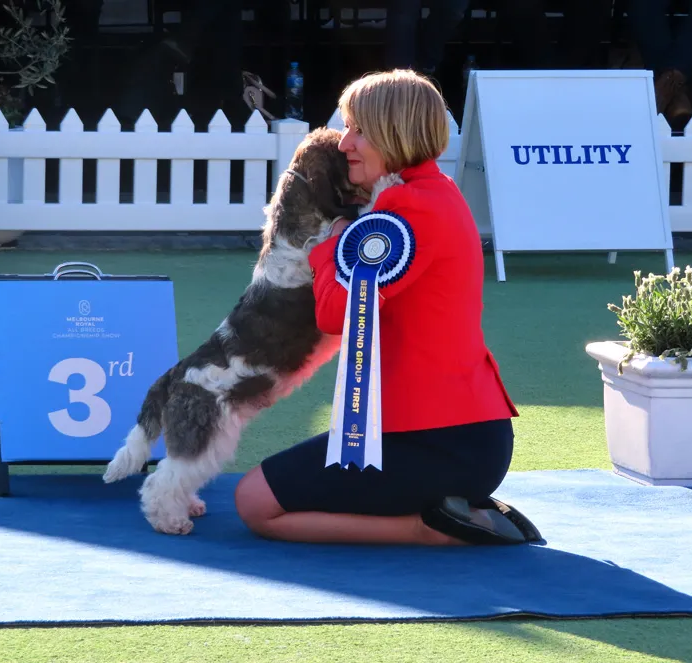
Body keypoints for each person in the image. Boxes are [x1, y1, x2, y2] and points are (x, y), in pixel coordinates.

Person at [232, 69, 542, 547]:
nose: (344, 143)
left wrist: (327, 248)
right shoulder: (431, 194)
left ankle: (431, 527)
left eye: (358, 129)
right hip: (460, 436)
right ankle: (455, 508)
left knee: (254, 503)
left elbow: (336, 314)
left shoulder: (408, 209)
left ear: (394, 134)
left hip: (440, 441)